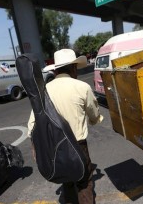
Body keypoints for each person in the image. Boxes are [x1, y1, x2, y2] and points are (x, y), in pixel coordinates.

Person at [27, 49, 103, 203]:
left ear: (55, 70)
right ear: (73, 68)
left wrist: (35, 147)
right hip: (78, 145)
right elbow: (94, 115)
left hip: (56, 147)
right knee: (84, 182)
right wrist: (94, 120)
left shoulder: (44, 91)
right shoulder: (82, 87)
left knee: (67, 181)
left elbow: (32, 124)